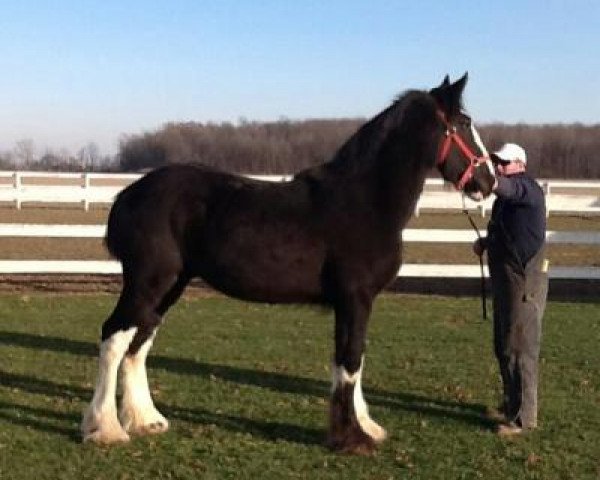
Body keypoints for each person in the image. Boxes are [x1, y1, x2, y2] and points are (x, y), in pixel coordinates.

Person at [472, 143, 548, 436]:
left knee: (521, 347)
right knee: (504, 345)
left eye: (504, 162)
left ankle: (523, 419)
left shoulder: (527, 190)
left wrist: (485, 175)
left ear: (520, 164)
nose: (499, 166)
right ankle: (510, 404)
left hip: (525, 281)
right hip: (506, 280)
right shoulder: (504, 200)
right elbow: (505, 229)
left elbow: (507, 189)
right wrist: (486, 244)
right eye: (497, 162)